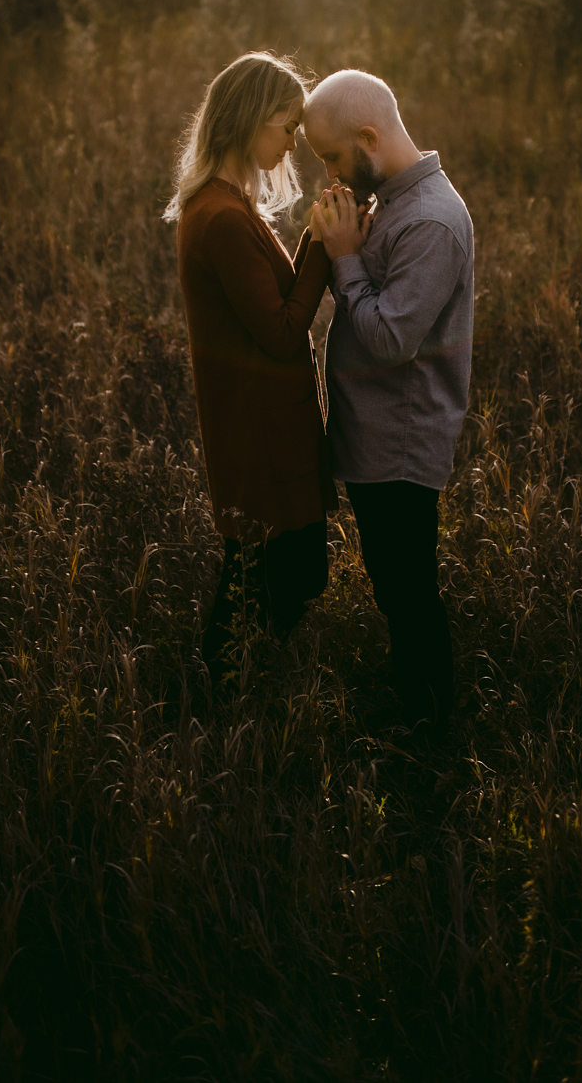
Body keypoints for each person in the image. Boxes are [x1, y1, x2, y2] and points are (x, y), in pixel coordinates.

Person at [304, 69, 474, 733]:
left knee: (407, 592)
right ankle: (418, 707)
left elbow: (389, 339)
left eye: (333, 156)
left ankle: (430, 726)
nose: (329, 172)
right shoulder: (394, 205)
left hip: (400, 443)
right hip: (375, 437)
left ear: (369, 137)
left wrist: (345, 256)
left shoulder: (430, 221)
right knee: (394, 584)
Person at [166, 52, 337, 693]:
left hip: (264, 425)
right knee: (270, 576)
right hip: (257, 432)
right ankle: (216, 697)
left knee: (273, 574)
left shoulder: (228, 205)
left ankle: (227, 690)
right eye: (284, 125)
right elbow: (285, 330)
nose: (293, 141)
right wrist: (322, 246)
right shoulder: (221, 219)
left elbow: (275, 303)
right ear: (245, 121)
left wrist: (314, 241)